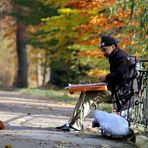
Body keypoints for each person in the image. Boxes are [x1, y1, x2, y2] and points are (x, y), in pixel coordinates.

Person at [56, 35, 130, 132]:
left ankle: (75, 125)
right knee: (85, 92)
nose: (103, 53)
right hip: (116, 89)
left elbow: (121, 75)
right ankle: (72, 124)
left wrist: (106, 77)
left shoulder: (121, 57)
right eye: (102, 50)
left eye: (104, 50)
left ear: (113, 46)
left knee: (89, 96)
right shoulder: (115, 56)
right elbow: (118, 77)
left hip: (120, 93)